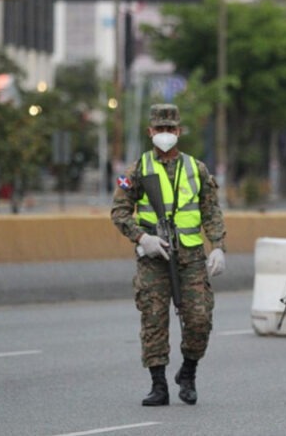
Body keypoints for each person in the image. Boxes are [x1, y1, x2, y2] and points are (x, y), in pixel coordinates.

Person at [110, 103, 227, 406]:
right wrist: (142, 237)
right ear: (150, 132)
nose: (165, 134)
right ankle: (158, 384)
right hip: (155, 257)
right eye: (159, 129)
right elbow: (119, 211)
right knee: (153, 319)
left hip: (191, 257)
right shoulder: (138, 170)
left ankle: (188, 372)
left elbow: (211, 210)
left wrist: (217, 246)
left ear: (179, 131)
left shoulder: (196, 168)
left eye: (170, 129)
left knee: (199, 319)